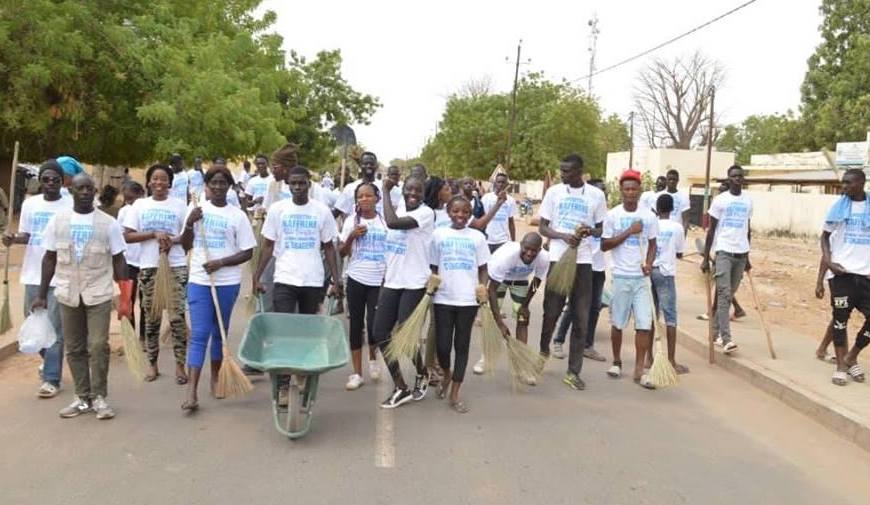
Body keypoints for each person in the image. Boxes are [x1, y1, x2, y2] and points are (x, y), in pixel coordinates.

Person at [33, 172, 129, 419]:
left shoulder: (109, 224)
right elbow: (50, 258)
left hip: (98, 293)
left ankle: (99, 397)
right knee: (74, 347)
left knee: (97, 345)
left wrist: (126, 298)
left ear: (95, 192)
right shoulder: (58, 221)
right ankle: (82, 397)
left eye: (89, 189)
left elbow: (119, 260)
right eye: (81, 189)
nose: (86, 193)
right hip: (67, 292)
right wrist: (42, 294)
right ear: (72, 192)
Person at [252, 164, 342, 402]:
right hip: (284, 278)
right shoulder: (278, 210)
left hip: (312, 279)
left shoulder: (321, 211)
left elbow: (329, 248)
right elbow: (268, 246)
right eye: (294, 183)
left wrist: (336, 278)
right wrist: (256, 276)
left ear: (308, 185)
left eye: (302, 183)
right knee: (283, 331)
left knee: (307, 331)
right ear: (288, 185)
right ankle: (283, 383)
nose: (298, 187)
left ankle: (303, 374)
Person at [179, 167, 255, 410]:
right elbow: (185, 245)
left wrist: (221, 262)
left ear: (230, 186)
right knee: (200, 333)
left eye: (223, 183)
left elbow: (247, 252)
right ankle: (191, 391)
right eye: (214, 183)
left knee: (218, 331)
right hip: (200, 280)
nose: (219, 187)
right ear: (207, 186)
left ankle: (215, 378)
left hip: (227, 282)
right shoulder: (196, 210)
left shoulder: (238, 216)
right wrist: (190, 225)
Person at [2, 160, 72, 398]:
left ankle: (52, 378)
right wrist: (13, 239)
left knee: (55, 327)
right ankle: (49, 361)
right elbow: (27, 235)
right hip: (32, 272)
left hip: (61, 274)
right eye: (46, 179)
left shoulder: (70, 204)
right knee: (33, 324)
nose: (50, 183)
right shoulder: (31, 204)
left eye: (55, 179)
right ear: (39, 181)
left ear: (62, 181)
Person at [538, 154, 607, 391]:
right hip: (559, 259)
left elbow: (601, 229)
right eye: (562, 170)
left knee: (581, 318)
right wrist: (562, 236)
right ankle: (543, 351)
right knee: (551, 313)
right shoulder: (554, 193)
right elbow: (542, 226)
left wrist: (589, 231)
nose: (563, 175)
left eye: (567, 171)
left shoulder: (596, 195)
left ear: (580, 171)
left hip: (584, 262)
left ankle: (573, 371)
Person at [123, 164, 190, 383]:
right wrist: (153, 234)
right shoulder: (139, 205)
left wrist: (172, 240)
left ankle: (181, 365)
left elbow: (188, 238)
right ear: (149, 182)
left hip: (176, 266)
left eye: (163, 179)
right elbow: (128, 236)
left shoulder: (180, 206)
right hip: (149, 267)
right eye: (155, 179)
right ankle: (152, 365)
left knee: (177, 318)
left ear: (170, 183)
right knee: (151, 319)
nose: (159, 183)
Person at [373, 176, 434, 408]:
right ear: (404, 190)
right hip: (392, 281)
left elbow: (392, 223)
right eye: (409, 189)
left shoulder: (425, 214)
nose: (413, 194)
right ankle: (401, 386)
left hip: (414, 283)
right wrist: (384, 278)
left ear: (423, 194)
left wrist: (385, 192)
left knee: (403, 333)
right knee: (380, 333)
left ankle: (421, 371)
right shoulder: (398, 209)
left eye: (418, 190)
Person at [430, 196, 490, 413]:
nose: (461, 216)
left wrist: (483, 288)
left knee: (462, 346)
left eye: (465, 212)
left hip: (467, 300)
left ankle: (455, 393)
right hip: (443, 298)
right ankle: (447, 374)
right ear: (448, 211)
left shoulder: (477, 237)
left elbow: (483, 268)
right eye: (456, 211)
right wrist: (432, 284)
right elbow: (434, 266)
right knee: (443, 346)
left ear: (470, 214)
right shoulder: (439, 235)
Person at [601, 169, 658, 388]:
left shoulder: (649, 215)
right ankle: (616, 361)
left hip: (642, 279)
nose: (631, 193)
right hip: (620, 276)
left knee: (644, 324)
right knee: (618, 323)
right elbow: (604, 244)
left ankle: (639, 369)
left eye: (634, 189)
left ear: (639, 190)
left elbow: (653, 244)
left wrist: (650, 263)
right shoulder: (613, 215)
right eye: (627, 189)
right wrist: (629, 231)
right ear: (621, 191)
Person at [821, 169, 869, 386]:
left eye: (849, 183)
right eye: (843, 183)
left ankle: (852, 356)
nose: (844, 187)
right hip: (842, 274)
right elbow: (824, 237)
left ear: (861, 183)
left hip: (866, 275)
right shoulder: (838, 208)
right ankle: (841, 366)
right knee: (840, 321)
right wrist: (829, 263)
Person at [552, 178, 608, 362]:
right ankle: (558, 340)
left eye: (605, 191)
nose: (603, 194)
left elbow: (605, 238)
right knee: (573, 306)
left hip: (598, 267)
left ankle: (587, 345)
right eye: (600, 190)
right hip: (581, 264)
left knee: (594, 308)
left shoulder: (605, 216)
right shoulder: (582, 211)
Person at [338, 182, 387, 390]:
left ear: (377, 198)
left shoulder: (385, 223)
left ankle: (373, 359)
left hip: (379, 280)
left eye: (369, 196)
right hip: (356, 279)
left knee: (375, 324)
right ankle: (357, 373)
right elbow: (341, 252)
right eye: (360, 196)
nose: (364, 199)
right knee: (356, 326)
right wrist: (351, 236)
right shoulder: (351, 221)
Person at [482, 232, 549, 383]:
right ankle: (485, 358)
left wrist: (525, 306)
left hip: (520, 281)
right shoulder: (506, 257)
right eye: (527, 249)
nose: (530, 253)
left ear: (539, 250)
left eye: (534, 250)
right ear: (521, 245)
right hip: (499, 279)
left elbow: (537, 281)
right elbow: (492, 289)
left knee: (523, 319)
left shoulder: (544, 258)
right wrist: (499, 322)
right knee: (492, 320)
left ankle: (521, 365)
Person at [701, 165, 753, 354]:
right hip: (723, 251)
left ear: (743, 179)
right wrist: (706, 258)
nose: (737, 179)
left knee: (728, 295)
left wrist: (747, 255)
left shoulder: (748, 201)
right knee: (724, 296)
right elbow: (711, 231)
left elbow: (748, 229)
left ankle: (714, 333)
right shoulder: (720, 201)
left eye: (740, 176)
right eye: (734, 176)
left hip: (741, 254)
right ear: (729, 178)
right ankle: (726, 338)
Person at [650, 193, 689, 374]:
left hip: (650, 270)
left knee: (652, 315)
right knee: (670, 318)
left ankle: (648, 358)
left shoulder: (651, 224)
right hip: (666, 274)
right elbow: (680, 252)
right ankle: (671, 360)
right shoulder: (677, 227)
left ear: (657, 209)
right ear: (672, 209)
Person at [116, 182, 145, 339]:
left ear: (141, 193)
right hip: (129, 262)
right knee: (129, 299)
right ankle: (131, 337)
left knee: (146, 302)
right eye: (127, 199)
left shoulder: (147, 209)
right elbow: (120, 236)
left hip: (147, 261)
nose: (129, 202)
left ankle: (144, 336)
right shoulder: (124, 212)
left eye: (132, 198)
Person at [334, 152, 402, 218]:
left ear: (376, 166)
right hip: (358, 228)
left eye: (371, 164)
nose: (368, 166)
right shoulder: (350, 188)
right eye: (365, 164)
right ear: (360, 165)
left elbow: (399, 207)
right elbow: (338, 210)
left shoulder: (386, 187)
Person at [481, 172, 517, 252]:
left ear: (506, 184)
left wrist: (513, 242)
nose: (500, 184)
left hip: (503, 241)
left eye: (503, 182)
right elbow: (481, 218)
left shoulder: (510, 200)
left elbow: (511, 222)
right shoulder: (486, 198)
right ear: (495, 183)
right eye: (498, 182)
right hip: (487, 239)